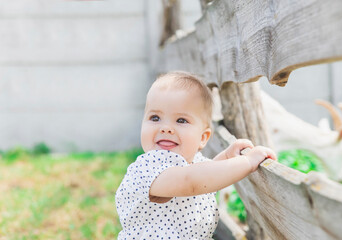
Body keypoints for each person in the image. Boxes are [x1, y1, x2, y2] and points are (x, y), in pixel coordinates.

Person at [115, 71, 277, 239]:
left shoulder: (192, 164)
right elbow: (191, 182)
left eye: (181, 120)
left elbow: (205, 178)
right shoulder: (147, 169)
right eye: (155, 117)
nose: (165, 128)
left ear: (202, 138)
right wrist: (248, 162)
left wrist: (228, 157)